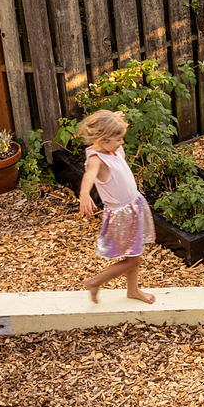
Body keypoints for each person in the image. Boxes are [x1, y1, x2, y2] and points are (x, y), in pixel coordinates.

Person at [78, 109, 156, 304]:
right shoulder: (97, 159)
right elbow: (89, 175)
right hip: (122, 214)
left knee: (135, 253)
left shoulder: (111, 148)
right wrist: (84, 194)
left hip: (133, 206)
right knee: (135, 259)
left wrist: (115, 119)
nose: (122, 143)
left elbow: (112, 128)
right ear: (104, 140)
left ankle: (133, 290)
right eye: (119, 139)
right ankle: (95, 282)